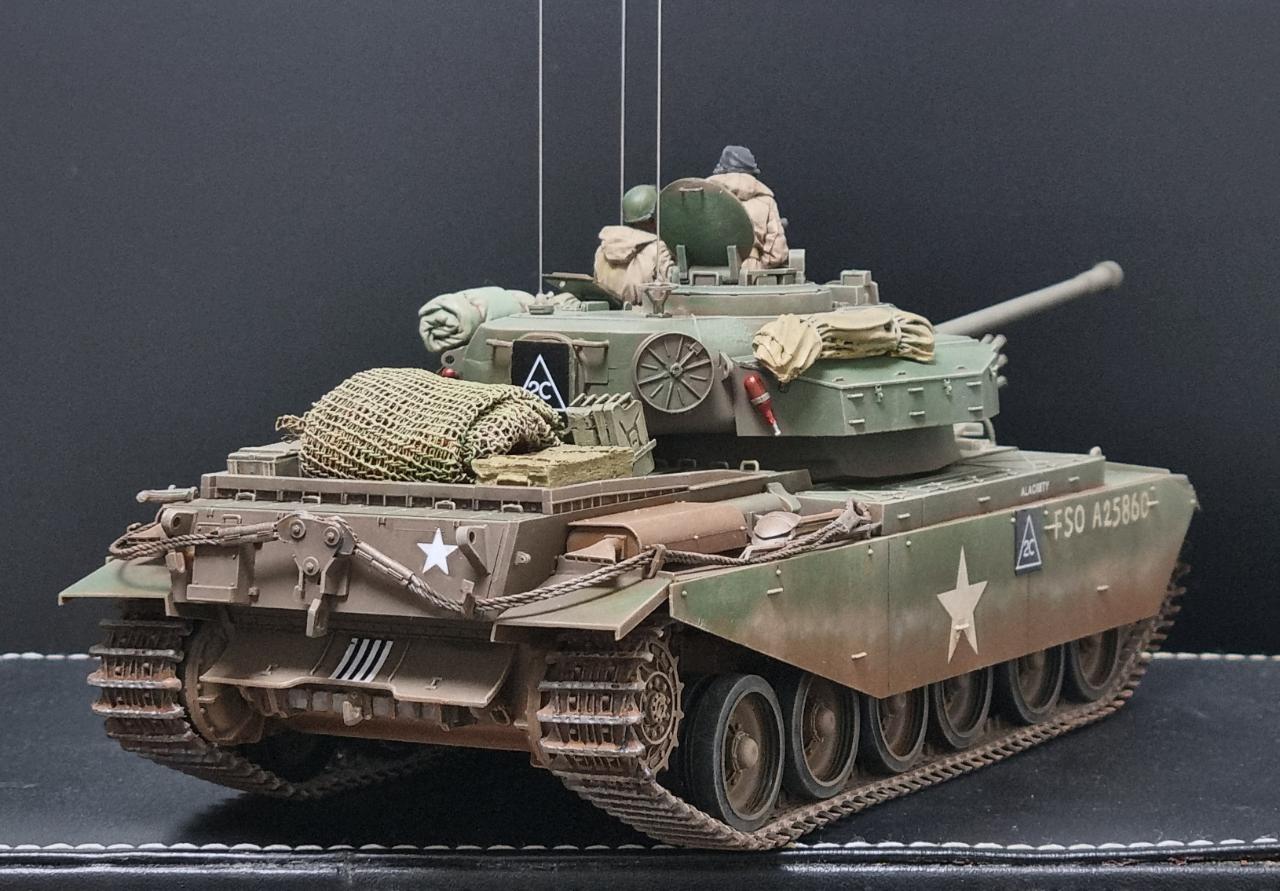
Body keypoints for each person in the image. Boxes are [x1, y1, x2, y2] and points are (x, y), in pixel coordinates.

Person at [707, 145, 789, 270]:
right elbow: (777, 253)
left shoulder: (700, 196)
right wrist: (758, 266)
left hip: (701, 271)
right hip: (749, 271)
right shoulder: (766, 201)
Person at [593, 184, 676, 306]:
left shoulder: (604, 248)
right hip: (644, 314)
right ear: (654, 219)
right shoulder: (659, 250)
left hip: (608, 312)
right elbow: (667, 294)